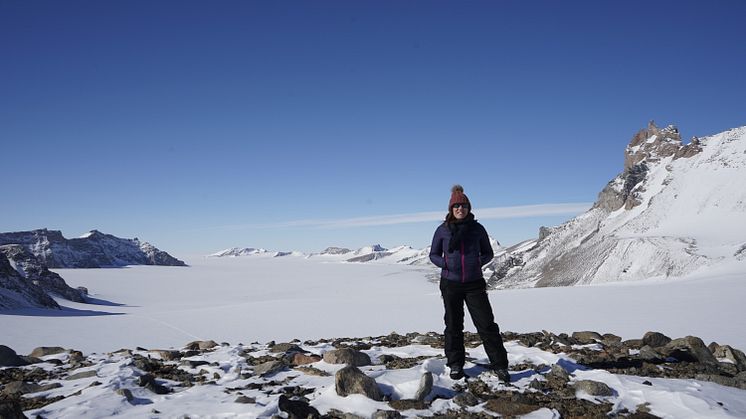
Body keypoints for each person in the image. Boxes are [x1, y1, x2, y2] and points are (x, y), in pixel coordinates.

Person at [429, 185, 510, 382]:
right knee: (453, 325)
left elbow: (488, 253)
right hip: (450, 284)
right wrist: (445, 263)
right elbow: (433, 254)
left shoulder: (477, 229)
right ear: (451, 209)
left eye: (463, 206)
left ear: (469, 208)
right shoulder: (443, 230)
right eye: (456, 206)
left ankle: (500, 365)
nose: (460, 209)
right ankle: (456, 364)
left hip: (475, 283)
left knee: (486, 325)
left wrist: (476, 263)